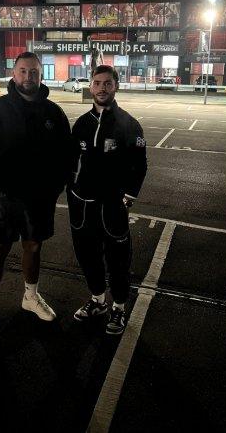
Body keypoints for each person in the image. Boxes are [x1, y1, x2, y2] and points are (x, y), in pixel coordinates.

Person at [0, 52, 73, 343]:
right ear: (14, 74)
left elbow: (66, 156)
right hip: (4, 196)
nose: (28, 77)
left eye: (34, 72)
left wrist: (55, 188)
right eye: (23, 71)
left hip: (39, 198)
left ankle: (31, 297)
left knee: (33, 248)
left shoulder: (53, 112)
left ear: (41, 75)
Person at [68, 65, 148, 335]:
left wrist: (128, 198)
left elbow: (140, 165)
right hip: (83, 207)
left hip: (112, 207)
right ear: (91, 87)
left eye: (108, 83)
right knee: (87, 257)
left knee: (118, 261)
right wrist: (72, 193)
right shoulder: (81, 124)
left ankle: (119, 308)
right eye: (98, 83)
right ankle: (98, 301)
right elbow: (70, 162)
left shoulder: (128, 124)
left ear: (116, 86)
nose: (102, 88)